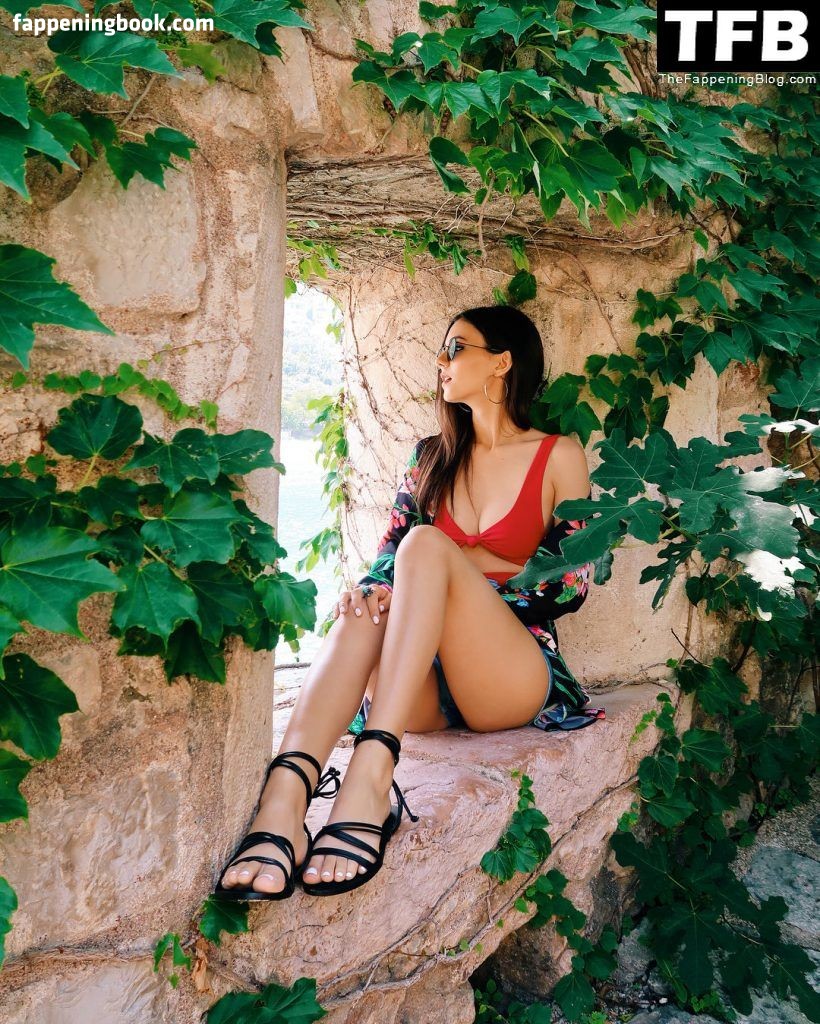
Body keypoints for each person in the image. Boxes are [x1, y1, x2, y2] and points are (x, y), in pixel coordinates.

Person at [214, 305, 603, 903]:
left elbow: (570, 582)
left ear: (502, 362)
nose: (441, 361)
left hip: (508, 676)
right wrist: (378, 590)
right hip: (417, 688)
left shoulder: (558, 455)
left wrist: (453, 589)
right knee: (368, 601)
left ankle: (370, 776)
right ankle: (284, 802)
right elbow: (386, 558)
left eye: (457, 348)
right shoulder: (430, 457)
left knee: (423, 547)